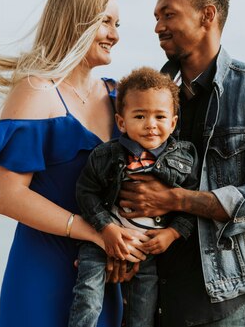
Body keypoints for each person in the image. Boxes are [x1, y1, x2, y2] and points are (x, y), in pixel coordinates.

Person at [0, 0, 147, 327]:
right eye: (105, 22)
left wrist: (129, 242)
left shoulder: (119, 96)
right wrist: (95, 232)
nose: (115, 34)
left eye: (117, 23)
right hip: (44, 268)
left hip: (105, 269)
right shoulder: (36, 90)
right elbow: (9, 197)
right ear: (76, 22)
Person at [119, 0, 245, 326]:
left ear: (207, 15)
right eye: (156, 17)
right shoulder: (149, 97)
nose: (157, 27)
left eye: (168, 15)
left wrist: (176, 200)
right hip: (143, 296)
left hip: (217, 301)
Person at [69, 67, 198, 327]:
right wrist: (106, 228)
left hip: (147, 250)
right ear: (121, 122)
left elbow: (191, 204)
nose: (150, 124)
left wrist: (171, 234)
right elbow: (86, 192)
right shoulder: (106, 155)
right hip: (101, 242)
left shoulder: (183, 158)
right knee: (88, 300)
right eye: (140, 116)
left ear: (173, 123)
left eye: (160, 116)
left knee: (143, 312)